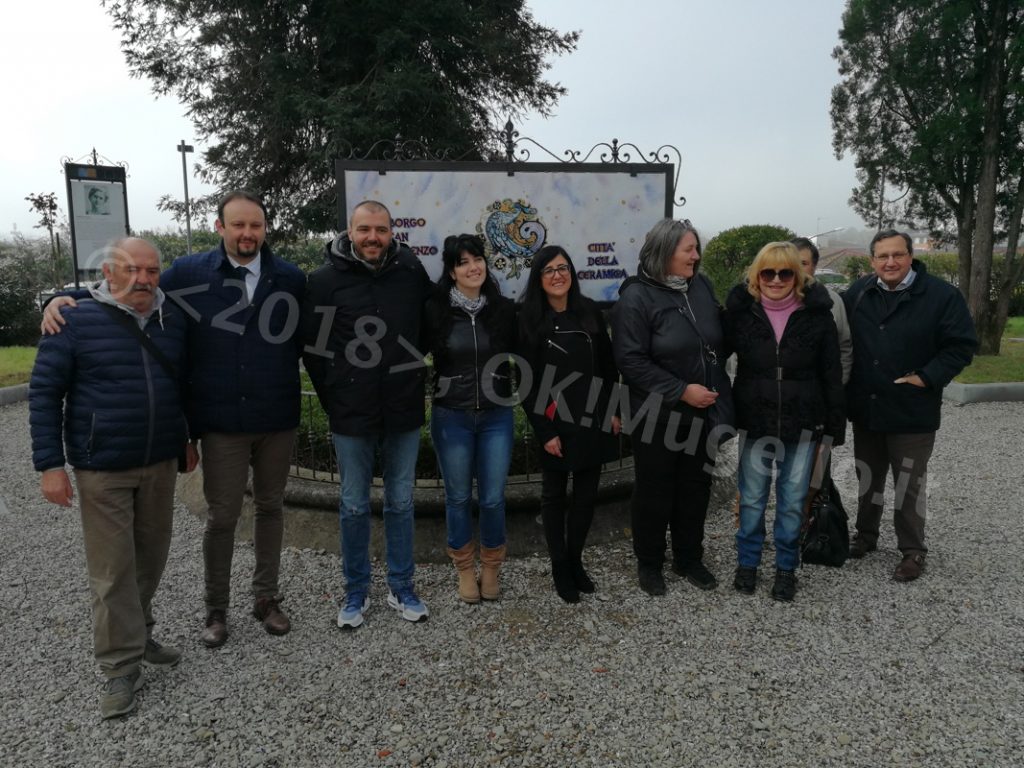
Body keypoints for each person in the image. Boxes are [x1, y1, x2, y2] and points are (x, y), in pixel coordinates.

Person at [42, 190, 307, 648]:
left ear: (266, 229)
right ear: (220, 227)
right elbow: (125, 286)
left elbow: (315, 332)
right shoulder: (189, 273)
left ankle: (267, 597)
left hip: (276, 416)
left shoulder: (290, 278)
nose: (248, 234)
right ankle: (216, 607)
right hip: (222, 421)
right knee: (222, 517)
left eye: (256, 226)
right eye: (238, 225)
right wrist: (61, 299)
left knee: (271, 508)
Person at [29, 238, 196, 719]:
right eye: (131, 269)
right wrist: (50, 465)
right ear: (108, 270)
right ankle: (119, 666)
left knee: (152, 555)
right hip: (102, 465)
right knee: (112, 568)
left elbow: (178, 385)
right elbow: (44, 395)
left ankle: (138, 632)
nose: (142, 279)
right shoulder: (73, 319)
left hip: (160, 461)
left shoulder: (171, 320)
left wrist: (184, 436)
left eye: (151, 271)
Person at [301, 200, 433, 628]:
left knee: (401, 502)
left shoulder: (411, 273)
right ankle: (355, 591)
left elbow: (427, 332)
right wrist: (336, 397)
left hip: (402, 408)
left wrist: (409, 374)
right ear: (350, 231)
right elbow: (315, 351)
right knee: (354, 506)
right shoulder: (323, 281)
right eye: (364, 230)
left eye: (380, 229)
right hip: (350, 412)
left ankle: (402, 586)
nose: (372, 237)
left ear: (391, 232)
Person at [843, 229, 976, 582]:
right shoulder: (858, 293)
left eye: (897, 255)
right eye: (882, 256)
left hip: (912, 409)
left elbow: (961, 346)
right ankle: (866, 536)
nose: (890, 262)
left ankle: (912, 550)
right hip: (867, 407)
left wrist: (928, 377)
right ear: (872, 260)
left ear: (910, 255)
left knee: (908, 484)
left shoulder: (942, 296)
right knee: (866, 479)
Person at [611, 218, 733, 597]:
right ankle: (649, 563)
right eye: (689, 250)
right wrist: (681, 391)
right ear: (664, 252)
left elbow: (715, 338)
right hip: (657, 415)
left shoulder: (701, 286)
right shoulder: (636, 297)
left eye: (697, 248)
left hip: (703, 411)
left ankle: (688, 557)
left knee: (695, 487)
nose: (696, 257)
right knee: (655, 490)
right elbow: (630, 361)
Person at [725, 242, 845, 601]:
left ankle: (786, 567)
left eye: (785, 272)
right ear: (756, 275)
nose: (776, 280)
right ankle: (747, 563)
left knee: (793, 500)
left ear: (797, 276)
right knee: (752, 499)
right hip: (756, 419)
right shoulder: (741, 315)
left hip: (803, 422)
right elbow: (713, 357)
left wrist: (834, 427)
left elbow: (831, 373)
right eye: (768, 272)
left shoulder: (818, 316)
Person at [517, 245, 621, 604]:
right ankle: (559, 565)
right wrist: (545, 432)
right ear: (539, 278)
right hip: (554, 420)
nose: (558, 275)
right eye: (549, 270)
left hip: (593, 415)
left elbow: (608, 367)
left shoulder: (589, 311)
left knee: (587, 496)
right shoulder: (530, 320)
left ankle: (576, 561)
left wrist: (613, 410)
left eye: (563, 268)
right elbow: (526, 383)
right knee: (554, 496)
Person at [422, 234, 517, 603]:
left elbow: (523, 357)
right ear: (451, 270)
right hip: (452, 417)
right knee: (458, 498)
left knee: (493, 498)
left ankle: (491, 567)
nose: (472, 267)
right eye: (463, 262)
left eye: (477, 259)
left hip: (496, 416)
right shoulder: (435, 310)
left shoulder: (503, 310)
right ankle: (464, 569)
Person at [791, 236, 853, 384]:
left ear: (814, 266)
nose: (797, 269)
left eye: (803, 263)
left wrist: (838, 384)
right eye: (791, 263)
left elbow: (844, 346)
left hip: (819, 395)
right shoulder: (768, 301)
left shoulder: (832, 301)